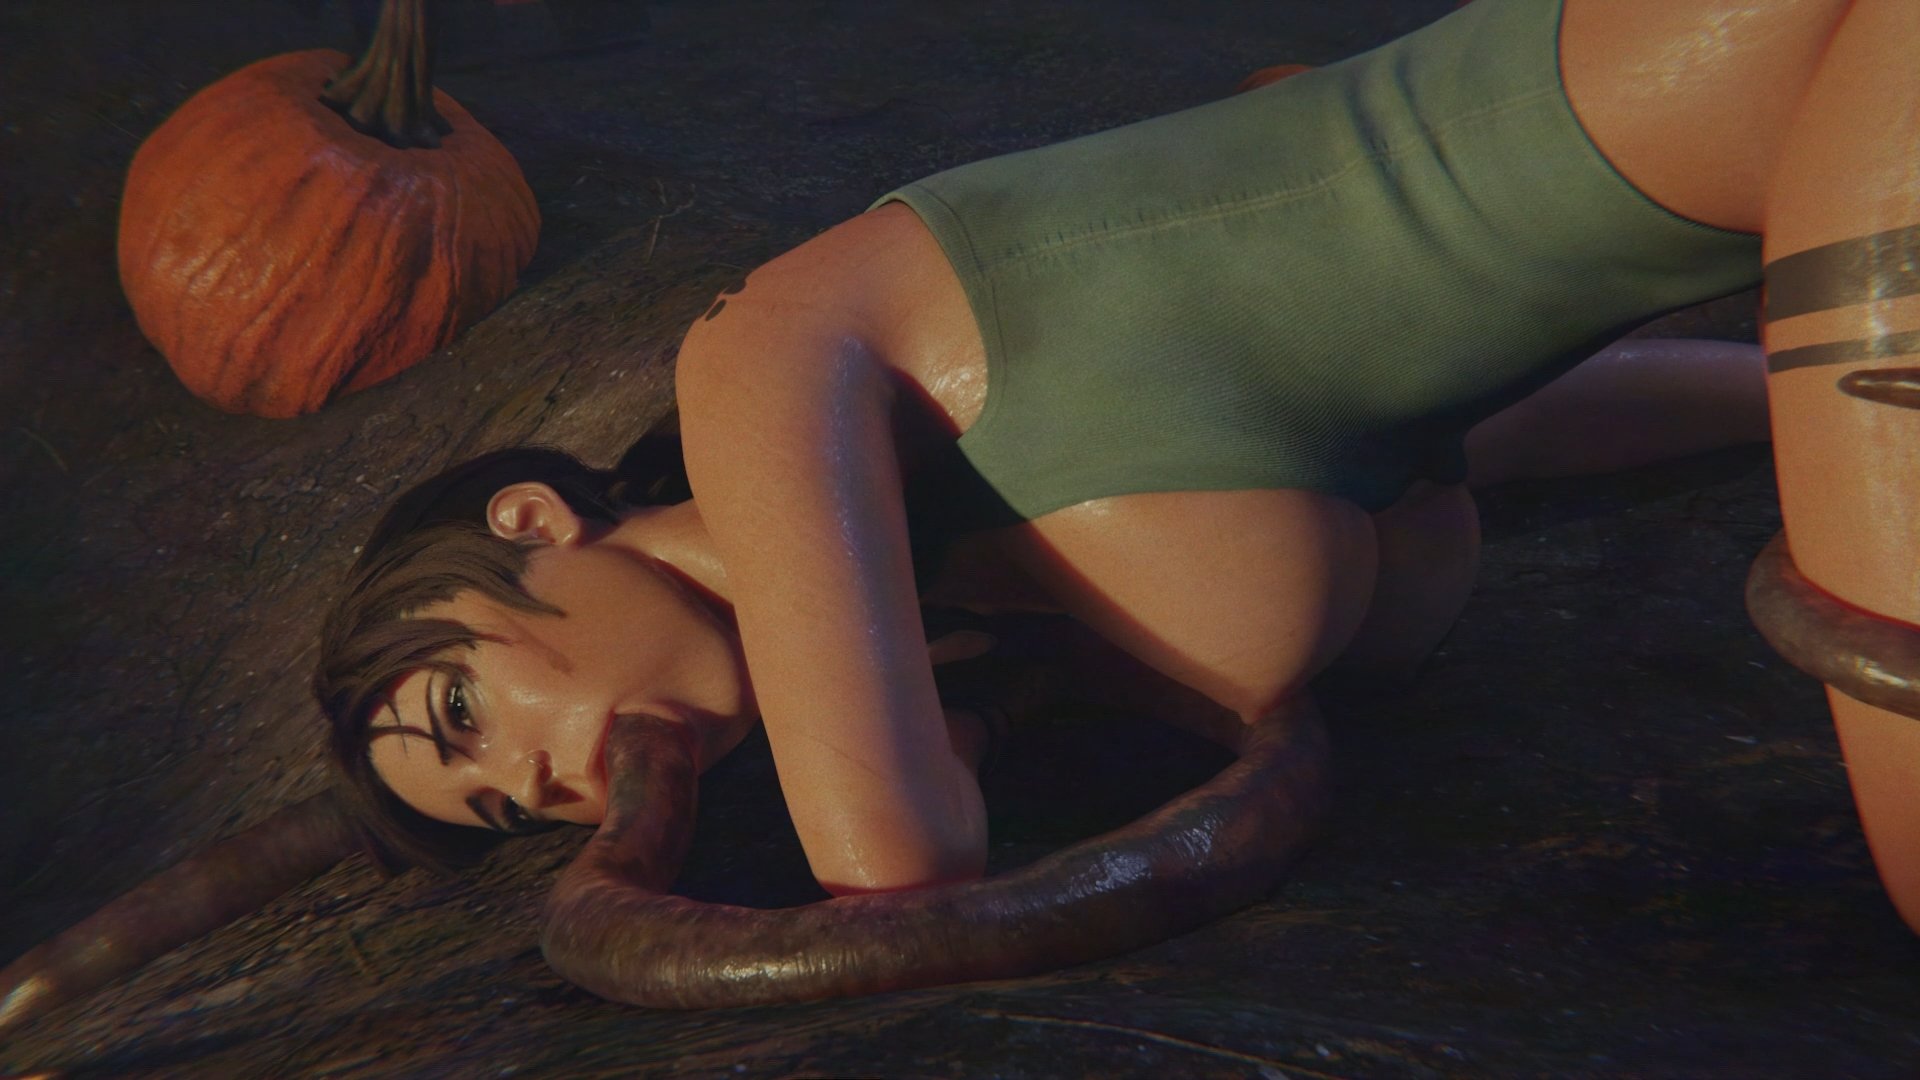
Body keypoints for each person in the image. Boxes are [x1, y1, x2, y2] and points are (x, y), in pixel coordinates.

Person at [316, 0, 1915, 948]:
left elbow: (892, 862)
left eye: (465, 710)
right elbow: (1491, 411)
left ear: (533, 524)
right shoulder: (984, 580)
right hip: (1797, 168)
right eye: (499, 809)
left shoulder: (757, 371)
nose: (539, 783)